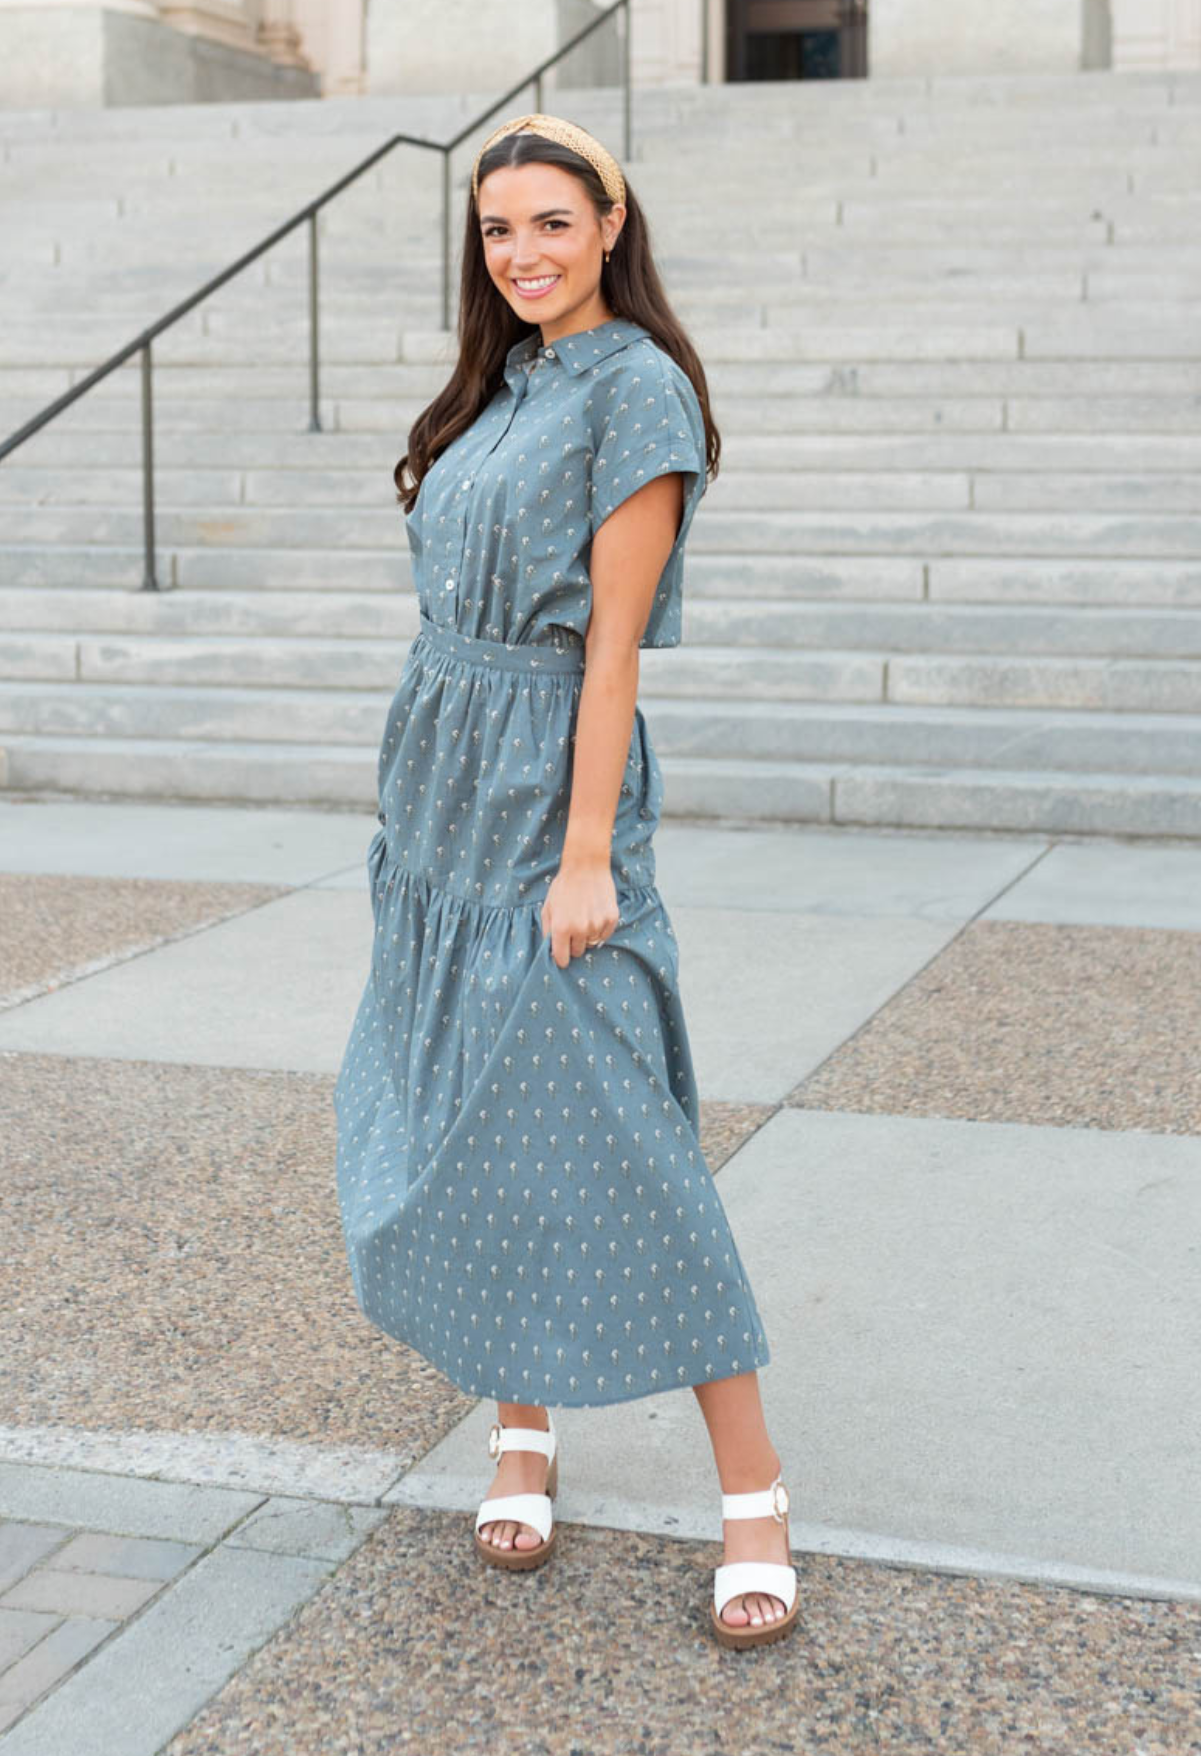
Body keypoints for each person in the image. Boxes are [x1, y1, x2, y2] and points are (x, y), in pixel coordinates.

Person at [332, 112, 797, 1650]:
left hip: (549, 790)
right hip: (441, 796)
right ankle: (518, 1430)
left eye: (548, 223)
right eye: (494, 231)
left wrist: (585, 850)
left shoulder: (637, 389)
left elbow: (609, 650)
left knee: (622, 1136)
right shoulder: (502, 385)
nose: (520, 254)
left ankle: (754, 1495)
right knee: (469, 1113)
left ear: (610, 222)